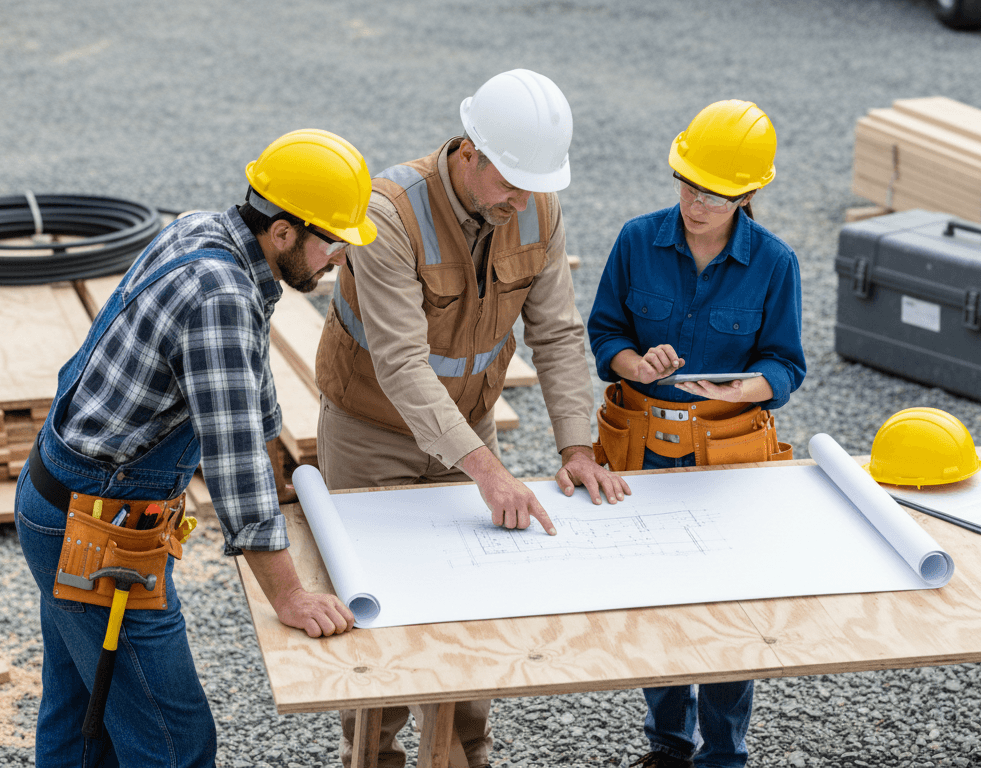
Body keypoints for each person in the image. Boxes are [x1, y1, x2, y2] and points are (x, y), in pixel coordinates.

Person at [14, 129, 374, 768]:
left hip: (62, 494)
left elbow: (246, 388)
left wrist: (289, 480)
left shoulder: (205, 232)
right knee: (173, 742)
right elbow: (234, 467)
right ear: (283, 231)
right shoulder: (220, 295)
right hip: (94, 531)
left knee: (84, 717)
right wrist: (290, 597)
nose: (339, 259)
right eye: (333, 242)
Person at [314, 68, 631, 768]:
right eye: (510, 181)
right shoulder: (390, 214)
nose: (520, 200)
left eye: (532, 185)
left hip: (470, 423)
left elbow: (557, 334)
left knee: (470, 603)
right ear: (469, 151)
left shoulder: (537, 207)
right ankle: (374, 758)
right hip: (372, 431)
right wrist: (488, 471)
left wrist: (577, 448)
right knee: (377, 614)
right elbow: (402, 366)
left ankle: (465, 756)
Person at [586, 101, 807, 768]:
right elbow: (605, 333)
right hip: (642, 450)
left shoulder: (775, 263)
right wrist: (634, 364)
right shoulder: (636, 241)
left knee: (727, 605)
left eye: (713, 193)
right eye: (687, 184)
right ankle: (669, 745)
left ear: (748, 193)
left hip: (728, 455)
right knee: (656, 601)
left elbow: (786, 364)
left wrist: (745, 388)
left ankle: (723, 756)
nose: (695, 203)